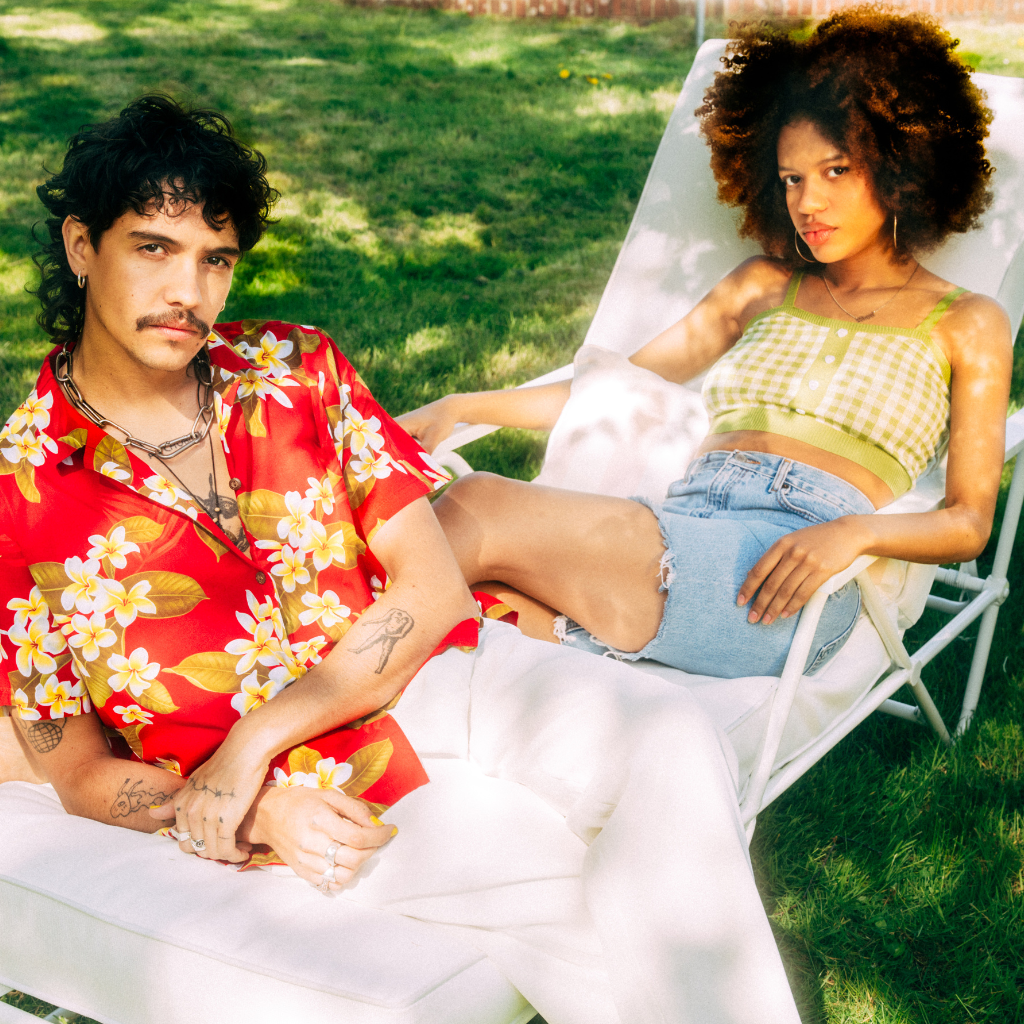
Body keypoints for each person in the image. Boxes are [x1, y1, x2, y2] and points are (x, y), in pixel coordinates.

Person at [0, 96, 801, 1023]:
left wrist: (254, 737)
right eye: (154, 248)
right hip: (321, 785)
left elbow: (430, 585)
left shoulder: (297, 368)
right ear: (81, 245)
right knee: (559, 882)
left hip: (441, 674)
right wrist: (251, 806)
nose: (189, 291)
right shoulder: (19, 496)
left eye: (215, 259)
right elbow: (76, 768)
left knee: (670, 734)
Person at [399, 6, 1012, 680]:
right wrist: (462, 407)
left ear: (901, 168)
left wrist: (855, 532)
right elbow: (612, 393)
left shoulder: (967, 321)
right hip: (679, 529)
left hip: (784, 574)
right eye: (791, 179)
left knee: (475, 506)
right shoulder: (762, 286)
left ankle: (307, 672)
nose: (807, 203)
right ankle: (325, 697)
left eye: (836, 170)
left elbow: (968, 521)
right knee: (456, 598)